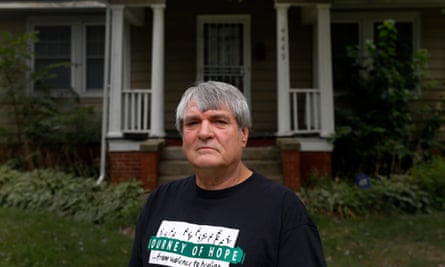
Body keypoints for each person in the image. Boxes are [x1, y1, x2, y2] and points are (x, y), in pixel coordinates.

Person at [128, 81, 327, 267]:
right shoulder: (159, 201)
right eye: (192, 123)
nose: (204, 133)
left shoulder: (282, 209)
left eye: (219, 121)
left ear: (243, 135)